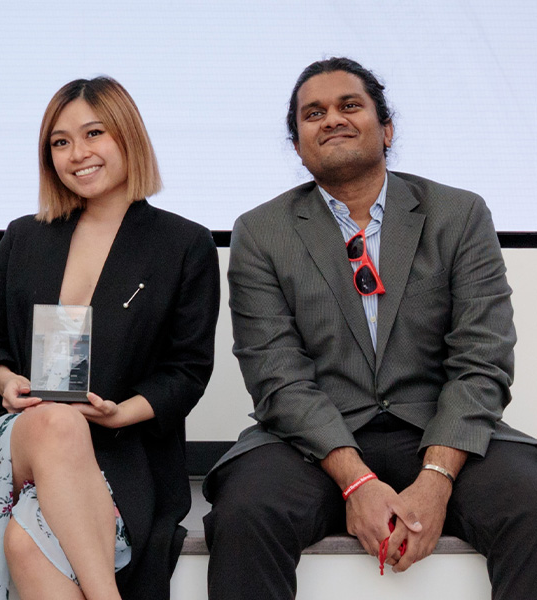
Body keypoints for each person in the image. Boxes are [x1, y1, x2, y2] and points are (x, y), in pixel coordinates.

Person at [203, 56, 537, 600]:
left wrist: (436, 478)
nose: (331, 118)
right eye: (313, 113)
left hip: (438, 431)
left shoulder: (459, 214)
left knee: (531, 500)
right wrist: (356, 481)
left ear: (386, 128)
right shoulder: (261, 232)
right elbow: (276, 375)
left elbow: (483, 358)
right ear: (298, 144)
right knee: (247, 511)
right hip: (311, 443)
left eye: (349, 105)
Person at [0, 76, 219, 600]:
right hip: (13, 439)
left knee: (27, 544)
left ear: (128, 136)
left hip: (120, 449)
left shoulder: (184, 244)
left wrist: (119, 412)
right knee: (57, 420)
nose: (77, 154)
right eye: (60, 142)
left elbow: (188, 370)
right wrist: (6, 381)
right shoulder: (25, 234)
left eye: (93, 134)